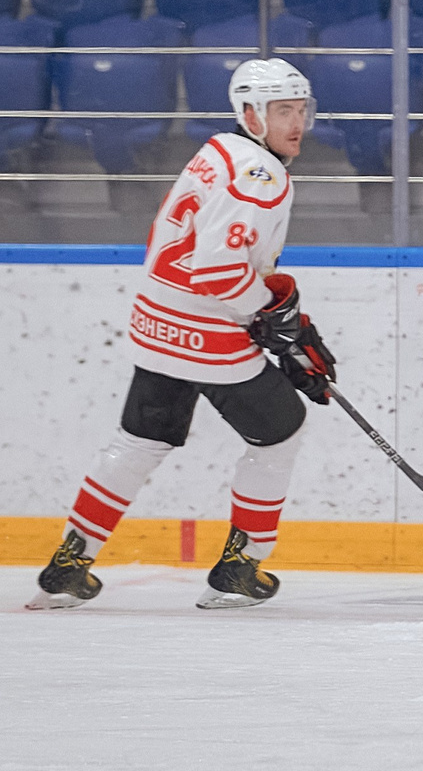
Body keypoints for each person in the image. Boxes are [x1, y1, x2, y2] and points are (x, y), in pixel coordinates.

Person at [31, 60, 337, 612]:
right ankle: (239, 568)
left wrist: (275, 315)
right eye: (282, 111)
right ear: (250, 114)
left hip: (155, 321)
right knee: (281, 431)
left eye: (300, 110)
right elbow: (218, 275)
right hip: (206, 333)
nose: (297, 123)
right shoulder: (263, 178)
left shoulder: (217, 151)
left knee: (139, 442)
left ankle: (68, 565)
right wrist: (269, 315)